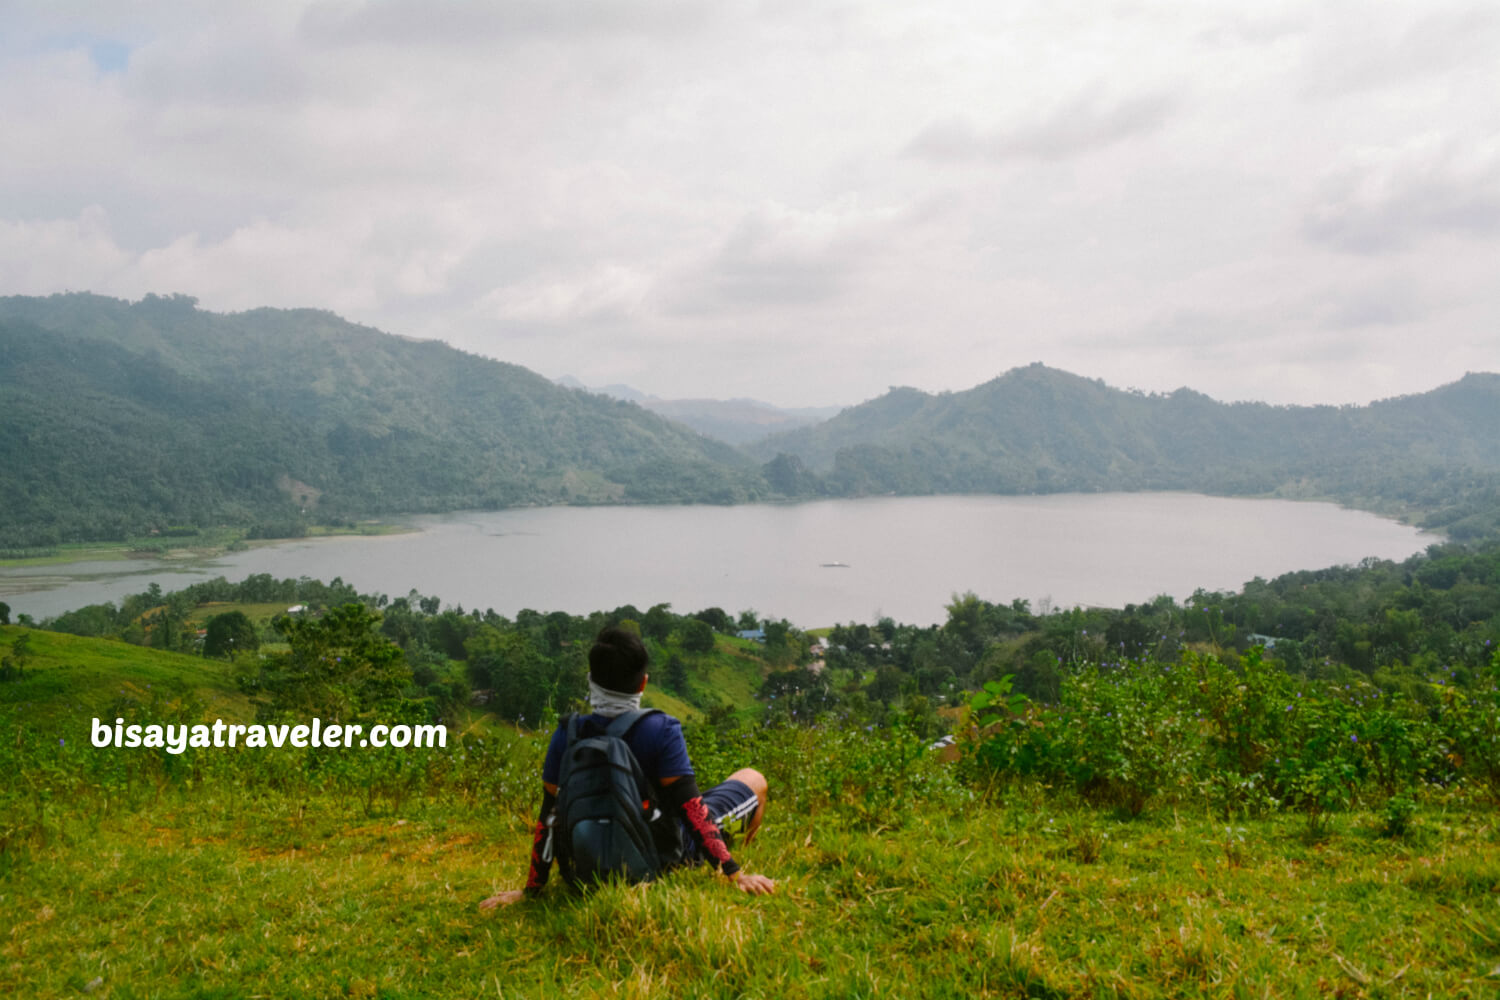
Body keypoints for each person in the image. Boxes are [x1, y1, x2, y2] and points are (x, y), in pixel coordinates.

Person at [480, 626, 775, 908]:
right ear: (643, 683)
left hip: (587, 867)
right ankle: (742, 845)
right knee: (754, 779)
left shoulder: (568, 733)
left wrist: (532, 889)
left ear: (590, 680)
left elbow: (549, 817)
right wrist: (735, 873)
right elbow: (692, 808)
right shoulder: (661, 729)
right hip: (662, 860)